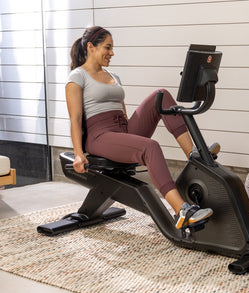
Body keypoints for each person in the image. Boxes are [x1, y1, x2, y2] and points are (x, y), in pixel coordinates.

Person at [66, 26, 218, 229]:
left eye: (112, 48)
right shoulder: (77, 77)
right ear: (91, 47)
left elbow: (122, 111)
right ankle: (182, 211)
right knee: (150, 146)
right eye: (107, 47)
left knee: (160, 95)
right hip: (100, 136)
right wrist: (78, 154)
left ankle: (193, 154)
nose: (112, 53)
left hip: (121, 130)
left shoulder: (113, 76)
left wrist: (129, 137)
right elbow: (75, 119)